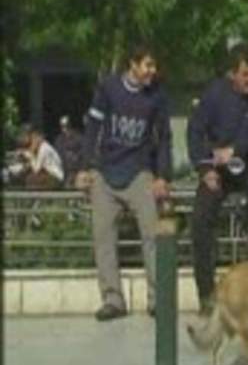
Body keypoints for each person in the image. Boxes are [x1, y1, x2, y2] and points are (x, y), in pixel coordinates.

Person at [75, 43, 172, 321]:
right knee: (103, 236)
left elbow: (164, 138)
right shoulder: (108, 88)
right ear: (133, 64)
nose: (152, 71)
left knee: (152, 235)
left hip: (139, 171)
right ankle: (113, 300)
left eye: (154, 66)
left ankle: (158, 300)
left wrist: (162, 176)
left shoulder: (157, 97)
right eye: (148, 65)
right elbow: (93, 129)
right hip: (106, 171)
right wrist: (85, 168)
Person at [188, 43, 248, 314]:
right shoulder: (214, 95)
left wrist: (235, 150)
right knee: (200, 219)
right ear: (231, 75)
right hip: (218, 170)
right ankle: (206, 295)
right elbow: (194, 132)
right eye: (245, 74)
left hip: (247, 164)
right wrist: (205, 170)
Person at [6, 124, 64, 189]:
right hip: (45, 174)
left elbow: (36, 169)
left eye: (34, 138)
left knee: (31, 179)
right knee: (21, 175)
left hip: (55, 178)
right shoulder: (38, 149)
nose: (32, 142)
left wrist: (30, 156)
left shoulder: (44, 148)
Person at [54, 115, 84, 187]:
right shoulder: (59, 139)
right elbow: (58, 151)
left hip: (77, 166)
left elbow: (84, 149)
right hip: (64, 167)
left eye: (66, 126)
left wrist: (76, 155)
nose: (64, 128)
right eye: (62, 126)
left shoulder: (78, 137)